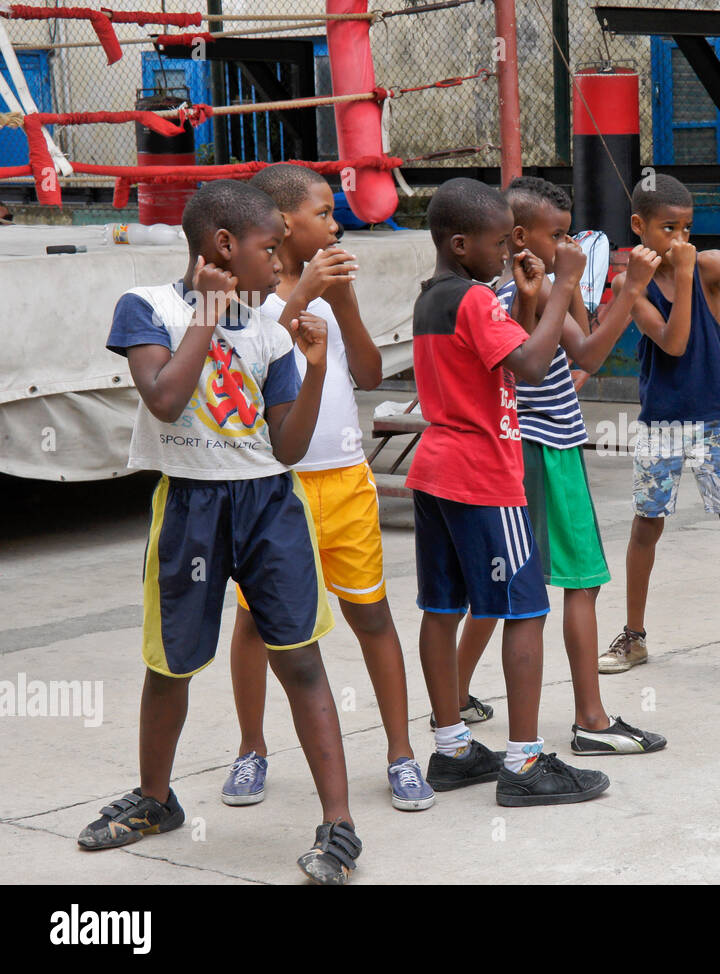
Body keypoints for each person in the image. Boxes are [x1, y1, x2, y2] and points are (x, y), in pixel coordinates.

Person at [82, 179, 363, 884]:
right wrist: (207, 312)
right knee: (169, 664)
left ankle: (339, 825)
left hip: (270, 506)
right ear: (224, 247)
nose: (280, 266)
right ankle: (155, 799)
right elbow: (169, 400)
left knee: (300, 660)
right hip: (190, 509)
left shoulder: (272, 327)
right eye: (271, 250)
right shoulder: (148, 308)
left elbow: (290, 446)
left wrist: (319, 366)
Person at [211, 164, 433, 813]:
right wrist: (301, 295)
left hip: (344, 480)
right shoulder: (249, 295)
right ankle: (252, 748)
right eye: (325, 212)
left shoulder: (330, 293)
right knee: (257, 623)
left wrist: (344, 306)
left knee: (372, 615)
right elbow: (255, 359)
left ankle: (401, 754)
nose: (337, 225)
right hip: (274, 489)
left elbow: (366, 372)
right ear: (284, 225)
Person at [450, 176, 667, 755]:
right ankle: (591, 720)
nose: (567, 243)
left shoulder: (495, 292)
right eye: (559, 234)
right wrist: (633, 289)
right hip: (549, 449)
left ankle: (451, 700)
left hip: (511, 448)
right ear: (520, 236)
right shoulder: (539, 289)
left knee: (503, 588)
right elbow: (591, 354)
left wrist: (569, 284)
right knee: (582, 581)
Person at [409, 177, 609, 805]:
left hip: (435, 467)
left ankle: (452, 748)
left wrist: (526, 304)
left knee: (443, 609)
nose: (504, 256)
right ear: (461, 243)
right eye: (498, 246)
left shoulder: (430, 298)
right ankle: (524, 763)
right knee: (526, 609)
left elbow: (498, 359)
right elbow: (530, 363)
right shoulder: (471, 300)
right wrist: (566, 286)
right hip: (485, 474)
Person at [597, 174, 720, 688]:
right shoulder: (629, 282)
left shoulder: (714, 265)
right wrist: (680, 275)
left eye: (687, 228)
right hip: (661, 422)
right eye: (667, 228)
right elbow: (674, 344)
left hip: (713, 423)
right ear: (639, 227)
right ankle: (634, 634)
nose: (679, 239)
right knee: (645, 526)